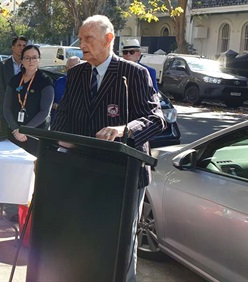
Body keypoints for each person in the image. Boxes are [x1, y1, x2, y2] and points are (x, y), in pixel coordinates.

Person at [51, 15, 166, 282]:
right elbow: (64, 115)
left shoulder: (134, 74)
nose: (82, 45)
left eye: (88, 38)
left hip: (122, 175)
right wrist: (53, 144)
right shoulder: (77, 73)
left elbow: (156, 119)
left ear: (109, 39)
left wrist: (124, 129)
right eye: (80, 39)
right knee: (84, 237)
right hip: (82, 170)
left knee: (119, 243)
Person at [3, 44, 54, 156]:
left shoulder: (45, 81)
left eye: (34, 57)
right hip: (14, 133)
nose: (31, 61)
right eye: (27, 58)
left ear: (39, 60)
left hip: (35, 135)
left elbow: (45, 112)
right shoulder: (14, 80)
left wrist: (25, 130)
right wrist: (16, 128)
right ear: (22, 60)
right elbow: (6, 108)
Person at [0, 36, 28, 136]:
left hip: (25, 107)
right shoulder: (3, 65)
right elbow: (1, 88)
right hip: (7, 107)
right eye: (19, 45)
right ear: (13, 47)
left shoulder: (29, 65)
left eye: (24, 45)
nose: (22, 48)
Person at [51, 56, 81, 124]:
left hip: (75, 122)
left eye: (75, 66)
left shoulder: (85, 83)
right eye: (70, 66)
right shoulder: (59, 82)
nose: (73, 69)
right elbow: (51, 102)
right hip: (57, 121)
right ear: (66, 68)